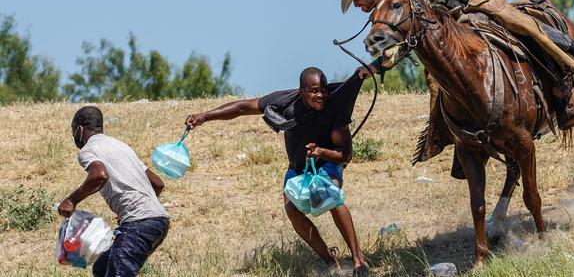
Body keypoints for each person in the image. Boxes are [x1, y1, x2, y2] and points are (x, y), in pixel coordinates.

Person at [340, 0, 574, 173]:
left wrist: (379, 64)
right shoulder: (386, 5)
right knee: (441, 77)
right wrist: (377, 65)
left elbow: (421, 19)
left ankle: (567, 80)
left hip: (473, 5)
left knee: (523, 29)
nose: (358, 6)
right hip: (452, 26)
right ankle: (460, 136)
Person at [185, 67, 373, 275]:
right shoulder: (284, 102)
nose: (321, 95)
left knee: (330, 196)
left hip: (327, 163)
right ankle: (330, 260)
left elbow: (345, 155)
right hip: (297, 169)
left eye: (323, 90)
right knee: (292, 210)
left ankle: (358, 261)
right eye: (314, 91)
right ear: (302, 91)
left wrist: (321, 152)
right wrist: (205, 116)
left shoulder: (334, 109)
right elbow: (243, 107)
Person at [58, 106, 169, 277]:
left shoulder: (88, 150)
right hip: (159, 220)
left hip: (139, 223)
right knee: (102, 268)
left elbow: (99, 175)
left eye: (73, 130)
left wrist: (71, 200)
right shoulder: (121, 146)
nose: (74, 135)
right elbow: (158, 184)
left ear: (80, 129)